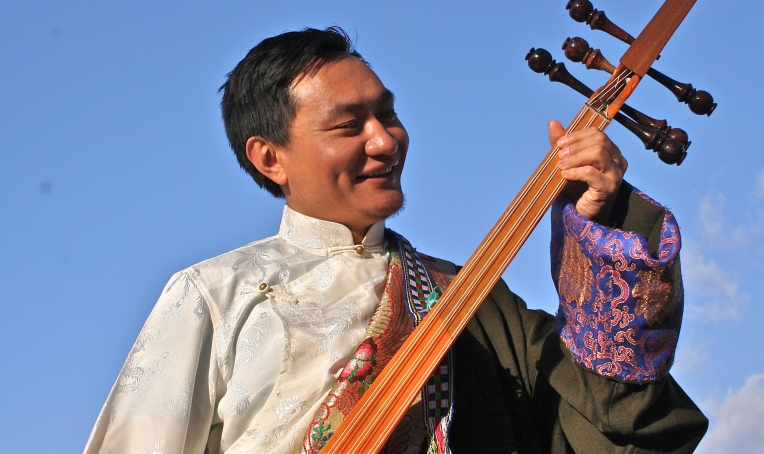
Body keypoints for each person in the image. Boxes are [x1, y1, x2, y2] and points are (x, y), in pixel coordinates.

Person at [84, 27, 707, 454]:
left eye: (388, 114)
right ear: (271, 157)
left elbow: (610, 419)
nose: (384, 140)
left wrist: (601, 226)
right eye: (349, 126)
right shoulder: (216, 293)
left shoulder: (470, 300)